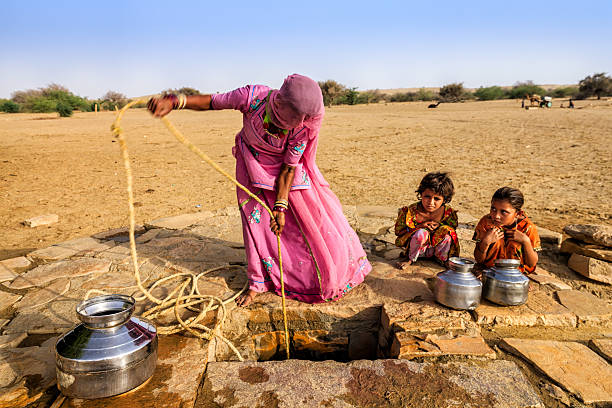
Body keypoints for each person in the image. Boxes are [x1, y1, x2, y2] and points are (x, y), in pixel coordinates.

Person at [147, 74, 371, 306]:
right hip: (251, 167)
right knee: (256, 224)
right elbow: (213, 101)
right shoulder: (253, 97)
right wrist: (174, 102)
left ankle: (315, 276)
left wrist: (280, 207)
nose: (293, 122)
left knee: (308, 224)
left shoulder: (302, 128)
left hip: (287, 176)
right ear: (279, 102)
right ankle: (259, 281)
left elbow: (288, 167)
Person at [394, 172, 459, 269]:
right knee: (421, 233)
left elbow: (452, 230)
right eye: (427, 196)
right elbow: (398, 232)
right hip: (419, 251)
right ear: (421, 194)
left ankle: (443, 259)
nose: (431, 202)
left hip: (437, 250)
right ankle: (410, 259)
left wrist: (439, 227)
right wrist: (419, 227)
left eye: (436, 199)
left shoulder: (448, 213)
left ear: (444, 200)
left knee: (448, 233)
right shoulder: (410, 212)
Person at [472, 187, 541, 275]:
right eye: (493, 209)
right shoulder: (486, 222)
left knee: (517, 243)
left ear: (518, 214)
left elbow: (531, 264)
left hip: (516, 274)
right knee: (491, 238)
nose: (496, 216)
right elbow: (479, 259)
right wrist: (485, 242)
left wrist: (525, 241)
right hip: (489, 270)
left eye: (503, 212)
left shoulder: (527, 227)